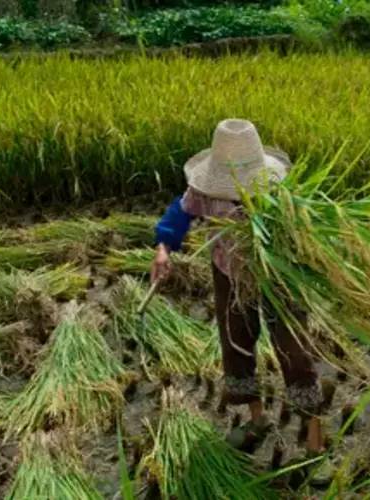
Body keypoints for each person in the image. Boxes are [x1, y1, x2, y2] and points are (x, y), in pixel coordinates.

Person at [150, 119, 330, 477]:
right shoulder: (204, 192)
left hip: (278, 277)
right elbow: (179, 213)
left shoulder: (278, 192)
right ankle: (256, 419)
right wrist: (163, 248)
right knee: (236, 342)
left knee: (294, 349)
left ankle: (315, 440)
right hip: (228, 273)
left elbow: (309, 229)